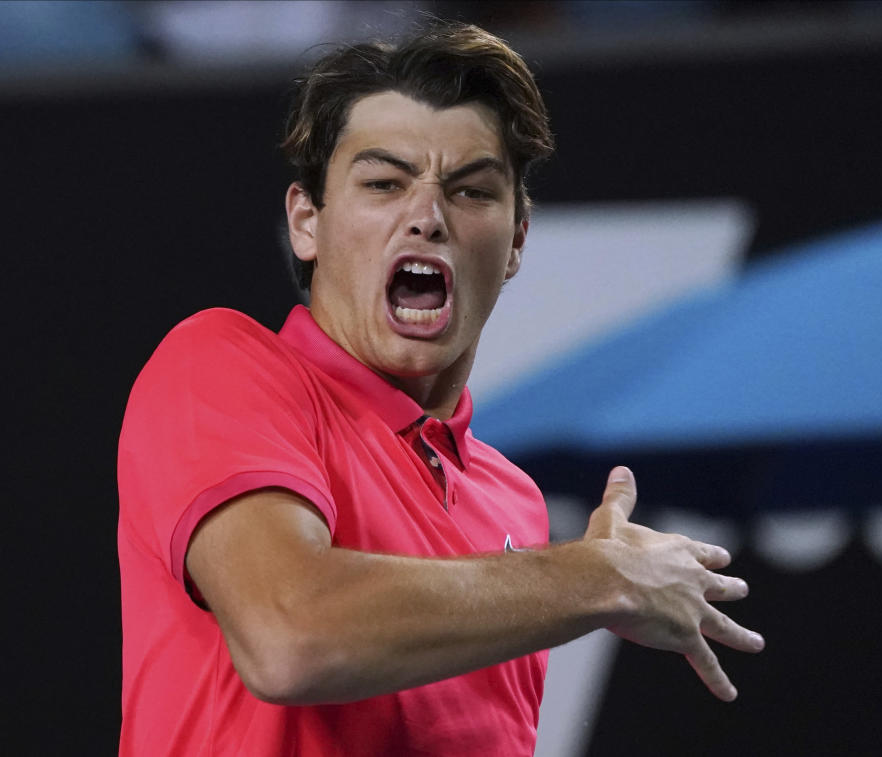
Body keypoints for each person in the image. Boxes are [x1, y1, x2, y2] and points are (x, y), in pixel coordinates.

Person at [117, 21, 764, 757]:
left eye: (471, 190)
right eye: (384, 183)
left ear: (517, 240)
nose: (426, 215)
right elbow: (289, 633)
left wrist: (580, 578)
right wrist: (597, 576)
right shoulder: (219, 365)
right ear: (307, 222)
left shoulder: (513, 503)